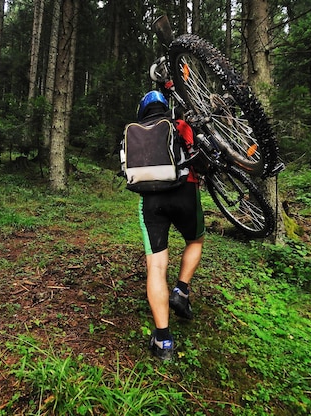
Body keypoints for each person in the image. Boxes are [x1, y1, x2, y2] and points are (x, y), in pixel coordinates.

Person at [135, 91, 205, 361]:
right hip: (186, 192)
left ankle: (163, 341)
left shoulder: (136, 132)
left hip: (151, 200)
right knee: (195, 241)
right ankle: (181, 289)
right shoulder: (181, 125)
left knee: (156, 265)